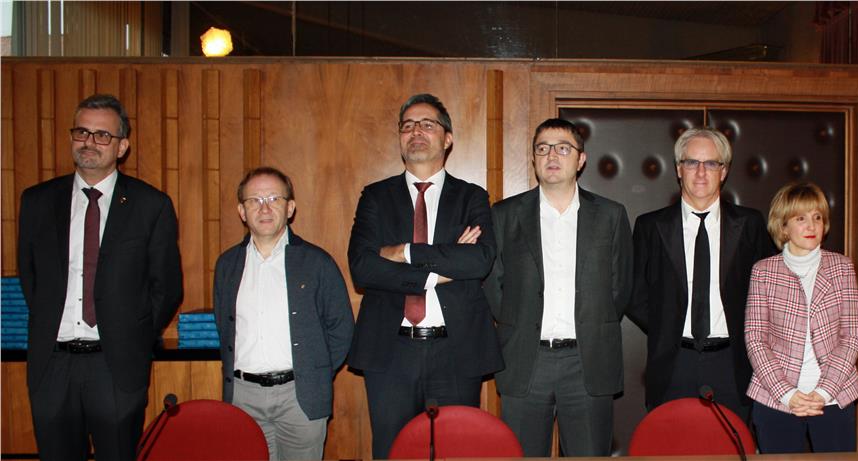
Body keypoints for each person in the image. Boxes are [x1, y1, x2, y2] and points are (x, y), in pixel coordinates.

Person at [17, 94, 183, 460]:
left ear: (122, 146)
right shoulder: (37, 202)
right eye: (82, 132)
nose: (89, 142)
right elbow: (30, 279)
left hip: (116, 365)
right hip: (52, 365)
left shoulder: (150, 205)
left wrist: (132, 335)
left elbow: (167, 287)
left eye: (102, 135)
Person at [346, 93, 502, 459]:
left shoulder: (471, 197)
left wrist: (404, 252)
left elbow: (479, 260)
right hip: (390, 351)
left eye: (427, 124)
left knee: (458, 452)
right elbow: (362, 267)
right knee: (393, 452)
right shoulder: (375, 196)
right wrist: (442, 269)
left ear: (447, 138)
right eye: (408, 126)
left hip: (457, 349)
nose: (416, 131)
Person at [485, 118, 632, 457]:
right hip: (525, 360)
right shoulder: (505, 214)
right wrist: (517, 323)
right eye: (543, 148)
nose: (551, 155)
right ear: (533, 159)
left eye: (563, 148)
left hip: (588, 362)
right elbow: (493, 284)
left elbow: (620, 287)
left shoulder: (610, 215)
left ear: (581, 159)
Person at [627, 127, 777, 421]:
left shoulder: (749, 224)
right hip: (673, 362)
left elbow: (771, 290)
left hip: (733, 362)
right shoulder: (650, 226)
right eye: (691, 162)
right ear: (678, 169)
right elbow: (633, 292)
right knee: (672, 443)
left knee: (734, 443)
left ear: (724, 171)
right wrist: (666, 325)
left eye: (711, 163)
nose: (700, 172)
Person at [213, 167, 354, 460]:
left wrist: (313, 372)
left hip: (300, 397)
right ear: (242, 211)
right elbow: (224, 327)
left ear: (290, 208)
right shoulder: (227, 265)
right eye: (254, 200)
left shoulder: (317, 262)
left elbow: (341, 330)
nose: (264, 208)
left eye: (274, 198)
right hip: (243, 396)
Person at [744, 182, 858, 453]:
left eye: (817, 217)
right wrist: (786, 393)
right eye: (801, 218)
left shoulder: (842, 267)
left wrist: (823, 393)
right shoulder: (763, 272)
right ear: (783, 226)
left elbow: (852, 337)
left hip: (834, 397)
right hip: (775, 398)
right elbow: (755, 339)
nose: (811, 226)